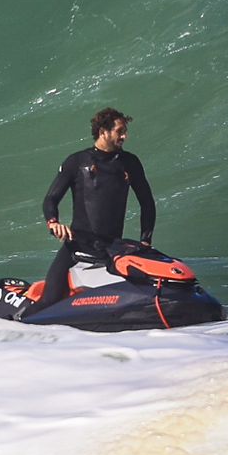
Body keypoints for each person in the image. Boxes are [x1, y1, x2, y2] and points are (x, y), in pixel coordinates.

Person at [23, 107, 156, 319]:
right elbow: (51, 199)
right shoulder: (77, 162)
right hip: (78, 244)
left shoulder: (130, 163)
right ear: (104, 131)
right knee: (49, 300)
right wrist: (53, 222)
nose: (125, 136)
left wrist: (145, 241)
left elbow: (147, 203)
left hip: (112, 249)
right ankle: (15, 326)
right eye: (120, 131)